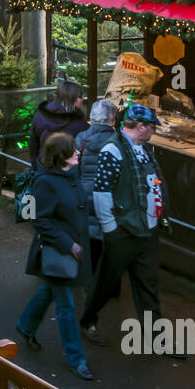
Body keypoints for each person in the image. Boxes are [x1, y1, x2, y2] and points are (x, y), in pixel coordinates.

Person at [79, 103, 179, 353]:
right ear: (141, 127)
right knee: (105, 283)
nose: (154, 130)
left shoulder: (142, 149)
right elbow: (102, 192)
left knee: (148, 286)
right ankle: (88, 320)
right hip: (124, 231)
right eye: (152, 126)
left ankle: (157, 340)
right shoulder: (112, 150)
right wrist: (111, 230)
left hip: (146, 230)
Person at [15, 132, 95, 380]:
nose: (78, 153)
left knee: (48, 291)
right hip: (59, 252)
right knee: (66, 306)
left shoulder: (70, 174)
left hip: (68, 253)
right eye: (73, 150)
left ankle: (25, 326)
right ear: (61, 156)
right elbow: (38, 219)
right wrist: (67, 244)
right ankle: (77, 359)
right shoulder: (46, 183)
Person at [75, 98, 119, 338]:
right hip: (108, 201)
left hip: (85, 198)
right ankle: (111, 287)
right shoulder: (117, 141)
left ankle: (87, 281)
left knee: (90, 243)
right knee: (109, 244)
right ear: (113, 119)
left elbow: (75, 169)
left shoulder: (81, 139)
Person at [28, 80, 88, 166]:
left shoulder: (40, 115)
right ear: (70, 98)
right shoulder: (78, 123)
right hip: (69, 169)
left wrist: (35, 166)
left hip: (44, 166)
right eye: (80, 96)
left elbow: (33, 143)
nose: (83, 99)